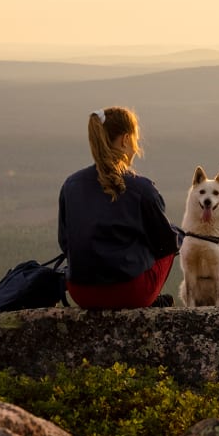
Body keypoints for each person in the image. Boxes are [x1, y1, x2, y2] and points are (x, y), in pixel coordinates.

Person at [58, 106, 180, 309]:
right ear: (125, 140)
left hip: (81, 293)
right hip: (130, 294)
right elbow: (166, 244)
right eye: (135, 139)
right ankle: (150, 300)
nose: (136, 145)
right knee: (175, 239)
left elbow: (65, 243)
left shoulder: (71, 185)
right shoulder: (141, 188)